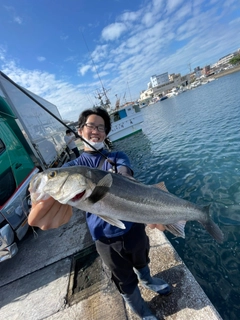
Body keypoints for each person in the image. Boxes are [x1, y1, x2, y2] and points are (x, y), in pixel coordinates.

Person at [28, 107, 171, 320]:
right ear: (80, 129)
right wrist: (41, 201)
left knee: (142, 259)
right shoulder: (74, 166)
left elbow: (125, 171)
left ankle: (149, 281)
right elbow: (59, 197)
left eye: (101, 128)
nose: (96, 131)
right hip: (105, 239)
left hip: (133, 227)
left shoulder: (116, 156)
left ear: (106, 133)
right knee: (123, 279)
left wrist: (120, 177)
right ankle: (142, 311)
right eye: (91, 126)